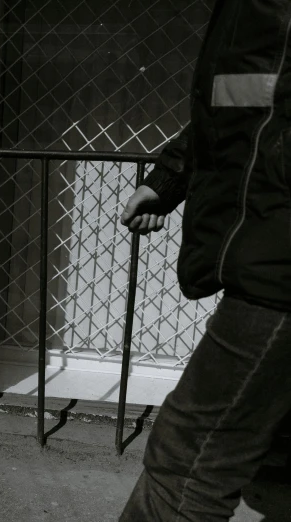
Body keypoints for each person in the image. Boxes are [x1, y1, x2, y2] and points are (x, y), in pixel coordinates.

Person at [119, 1, 291, 519]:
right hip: (271, 251)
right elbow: (244, 108)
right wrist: (169, 178)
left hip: (277, 265)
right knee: (267, 461)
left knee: (189, 461)